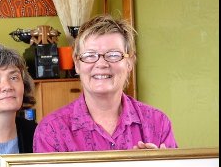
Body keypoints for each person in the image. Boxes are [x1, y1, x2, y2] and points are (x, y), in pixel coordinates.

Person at [33, 14, 178, 152]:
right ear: (77, 64)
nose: (101, 63)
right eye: (90, 55)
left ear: (129, 62)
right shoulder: (50, 130)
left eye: (113, 55)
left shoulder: (158, 123)